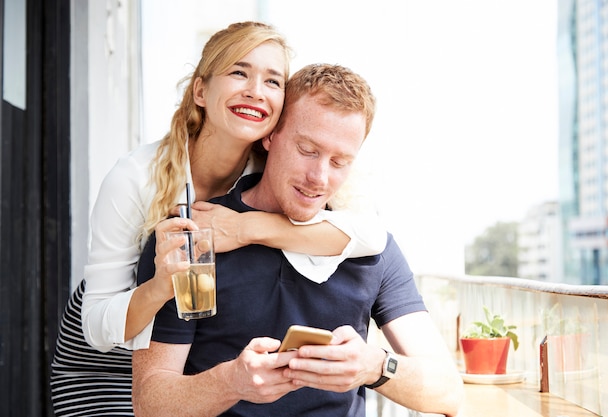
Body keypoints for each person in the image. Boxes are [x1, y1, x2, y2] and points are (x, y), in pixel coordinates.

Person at [50, 22, 386, 417]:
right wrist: (160, 285)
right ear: (200, 91)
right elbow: (95, 327)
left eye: (273, 81)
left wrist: (244, 229)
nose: (255, 90)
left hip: (178, 362)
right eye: (239, 72)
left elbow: (372, 236)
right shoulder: (135, 178)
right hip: (108, 359)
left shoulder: (275, 167)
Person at [132, 63, 464, 417]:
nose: (319, 178)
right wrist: (231, 382)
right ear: (271, 134)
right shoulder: (196, 237)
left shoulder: (371, 252)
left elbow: (447, 393)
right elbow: (150, 402)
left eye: (340, 161)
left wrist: (375, 365)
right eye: (307, 150)